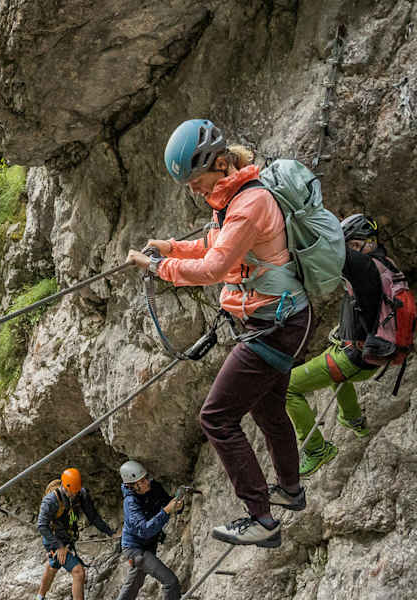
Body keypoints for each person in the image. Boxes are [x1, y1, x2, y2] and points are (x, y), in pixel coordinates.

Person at [125, 119, 311, 548]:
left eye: (196, 179)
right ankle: (290, 491)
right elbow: (215, 244)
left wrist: (157, 267)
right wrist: (170, 247)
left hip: (274, 327)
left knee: (216, 418)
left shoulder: (248, 204)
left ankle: (262, 519)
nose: (193, 189)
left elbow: (214, 268)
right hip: (282, 320)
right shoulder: (232, 198)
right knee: (268, 411)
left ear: (222, 163)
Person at [285, 214, 395, 475]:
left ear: (369, 243)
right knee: (334, 370)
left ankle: (316, 449)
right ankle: (354, 419)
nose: (351, 252)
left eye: (355, 245)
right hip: (360, 351)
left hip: (356, 357)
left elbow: (330, 260)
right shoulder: (384, 265)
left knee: (287, 387)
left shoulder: (367, 270)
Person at [36, 467, 116, 600]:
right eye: (71, 492)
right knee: (78, 572)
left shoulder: (81, 494)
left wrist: (110, 532)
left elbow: (93, 517)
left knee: (53, 566)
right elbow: (42, 526)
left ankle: (39, 597)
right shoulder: (51, 501)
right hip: (54, 541)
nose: (74, 495)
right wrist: (59, 546)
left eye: (76, 492)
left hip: (68, 538)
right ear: (64, 487)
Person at [116, 461, 184, 600]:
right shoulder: (130, 503)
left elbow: (168, 503)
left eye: (146, 478)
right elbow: (145, 530)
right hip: (135, 549)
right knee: (171, 582)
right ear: (132, 486)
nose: (147, 482)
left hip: (148, 545)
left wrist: (177, 506)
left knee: (132, 586)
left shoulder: (154, 487)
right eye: (141, 481)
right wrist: (166, 511)